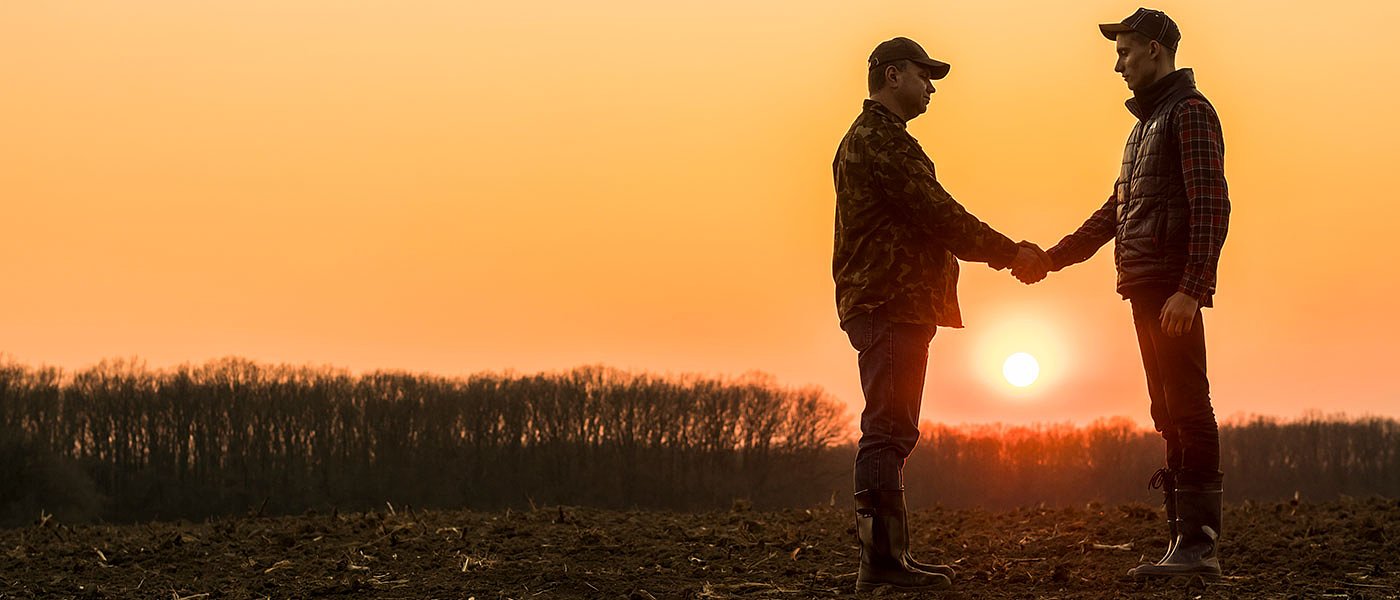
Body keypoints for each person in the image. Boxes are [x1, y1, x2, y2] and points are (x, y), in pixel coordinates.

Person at [1016, 8, 1231, 581]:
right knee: (1167, 411)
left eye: (1126, 51)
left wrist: (1192, 289)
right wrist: (1053, 258)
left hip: (1169, 288)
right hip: (1144, 284)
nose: (1118, 64)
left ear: (1157, 50)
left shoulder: (1189, 113)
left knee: (1189, 405)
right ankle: (1181, 541)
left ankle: (1200, 544)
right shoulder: (1144, 127)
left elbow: (1212, 205)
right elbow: (1116, 210)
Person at [833, 36, 1050, 592]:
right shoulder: (884, 143)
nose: (931, 88)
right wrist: (1012, 253)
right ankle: (881, 564)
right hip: (890, 302)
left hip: (893, 301)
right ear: (892, 76)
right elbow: (941, 216)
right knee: (886, 428)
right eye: (924, 76)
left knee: (894, 426)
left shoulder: (875, 141)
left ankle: (889, 559)